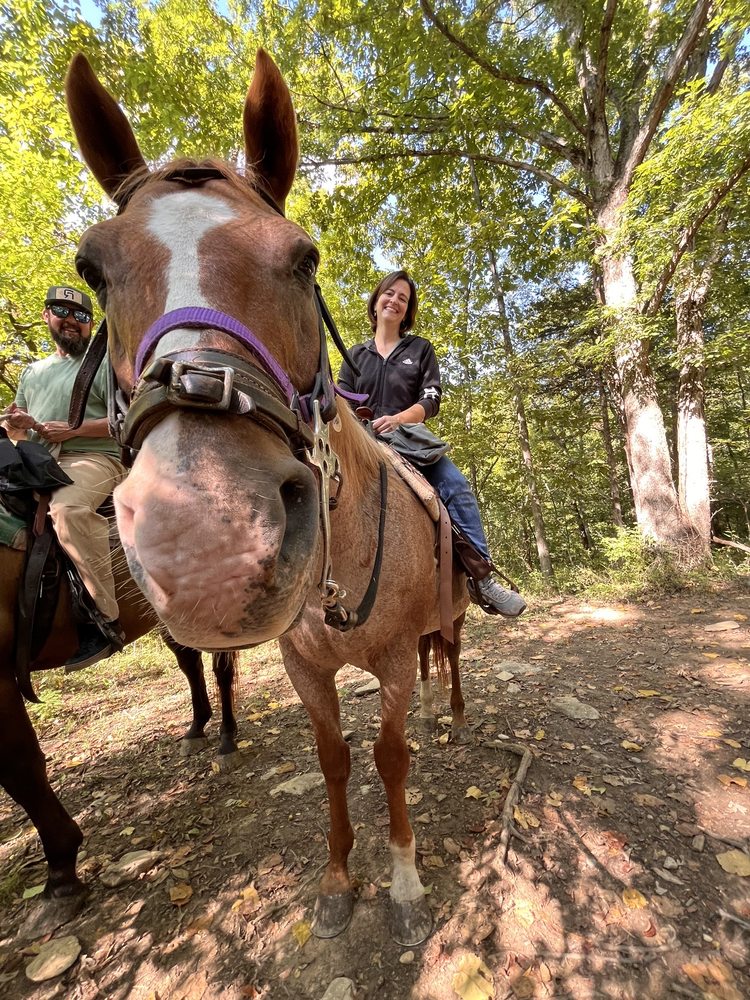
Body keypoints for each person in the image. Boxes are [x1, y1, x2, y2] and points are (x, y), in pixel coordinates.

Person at [337, 269, 526, 618]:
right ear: (376, 301)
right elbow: (340, 401)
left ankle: (482, 577)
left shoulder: (420, 349)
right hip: (358, 441)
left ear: (407, 312)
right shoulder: (354, 355)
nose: (394, 300)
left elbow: (431, 400)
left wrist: (398, 418)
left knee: (457, 487)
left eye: (402, 298)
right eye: (389, 294)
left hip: (408, 439)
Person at [4, 285, 127, 668]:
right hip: (39, 462)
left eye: (83, 316)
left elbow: (125, 420)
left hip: (93, 458)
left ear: (91, 326)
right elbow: (19, 433)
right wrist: (16, 425)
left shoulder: (105, 363)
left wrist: (72, 431)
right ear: (46, 316)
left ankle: (104, 619)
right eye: (62, 310)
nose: (72, 320)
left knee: (69, 510)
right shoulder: (32, 372)